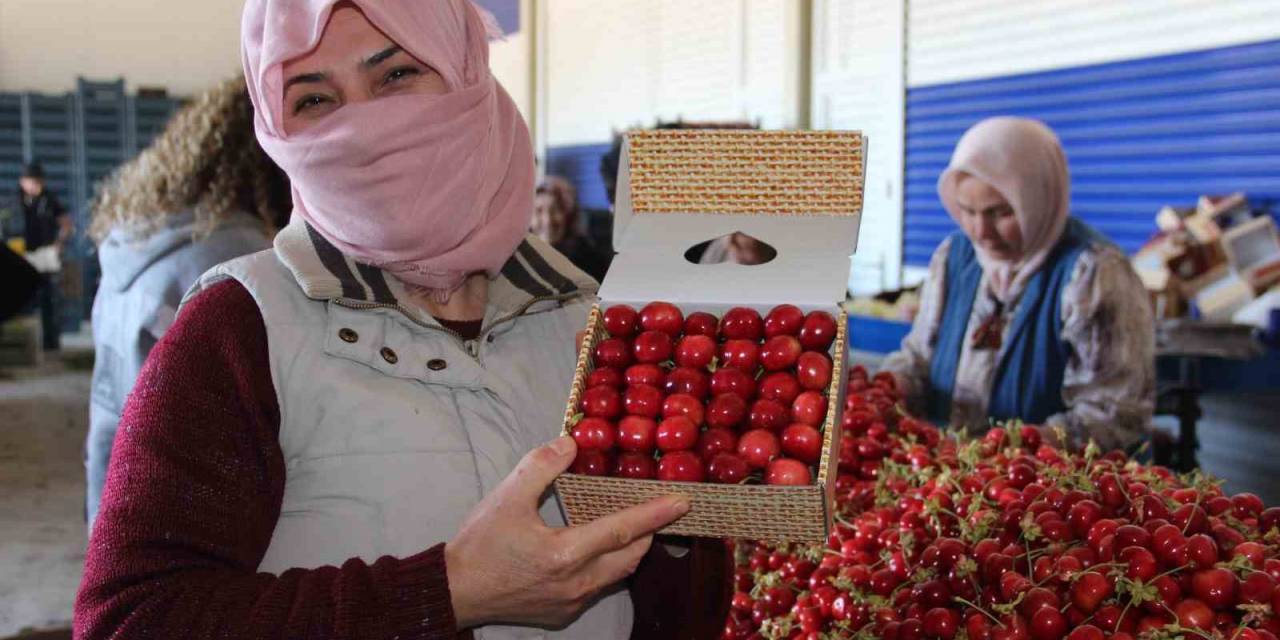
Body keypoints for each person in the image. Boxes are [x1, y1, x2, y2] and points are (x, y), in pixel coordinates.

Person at [75, 2, 721, 639]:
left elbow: (670, 615)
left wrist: (682, 523)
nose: (365, 128)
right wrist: (448, 592)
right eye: (315, 101)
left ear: (467, 72)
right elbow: (127, 621)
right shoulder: (240, 331)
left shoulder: (590, 324)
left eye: (395, 76)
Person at [84, 75, 292, 530]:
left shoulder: (136, 245)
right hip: (188, 518)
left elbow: (105, 410)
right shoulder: (236, 258)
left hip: (119, 501)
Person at [879, 117, 1154, 452]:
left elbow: (1113, 416)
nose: (980, 232)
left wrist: (1012, 447)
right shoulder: (953, 258)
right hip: (948, 483)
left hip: (1046, 495)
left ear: (1038, 199)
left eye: (1000, 213)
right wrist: (890, 388)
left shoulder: (1094, 274)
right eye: (967, 210)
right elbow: (920, 357)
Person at [15, 162, 72, 350]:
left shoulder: (50, 200)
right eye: (32, 182)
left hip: (46, 255)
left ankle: (51, 344)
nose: (36, 186)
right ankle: (24, 344)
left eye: (39, 182)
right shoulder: (14, 201)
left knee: (50, 300)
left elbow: (66, 224)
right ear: (23, 182)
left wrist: (59, 244)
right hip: (23, 256)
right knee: (23, 300)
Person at [531, 175, 611, 281]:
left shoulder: (589, 259)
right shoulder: (516, 257)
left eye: (555, 210)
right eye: (539, 211)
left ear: (568, 215)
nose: (547, 220)